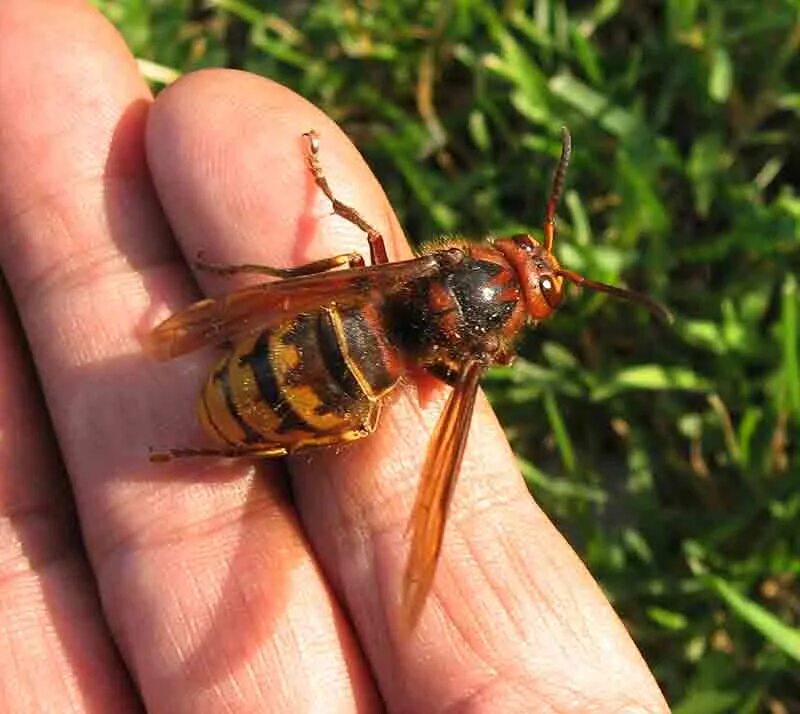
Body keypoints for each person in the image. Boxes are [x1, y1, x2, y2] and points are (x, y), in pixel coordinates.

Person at [0, 1, 668, 711]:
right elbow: (474, 367)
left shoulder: (416, 274)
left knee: (354, 261)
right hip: (332, 382)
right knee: (355, 421)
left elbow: (367, 268)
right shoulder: (474, 360)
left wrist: (247, 286)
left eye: (535, 269)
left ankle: (225, 403)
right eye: (530, 253)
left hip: (319, 331)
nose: (531, 256)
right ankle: (227, 445)